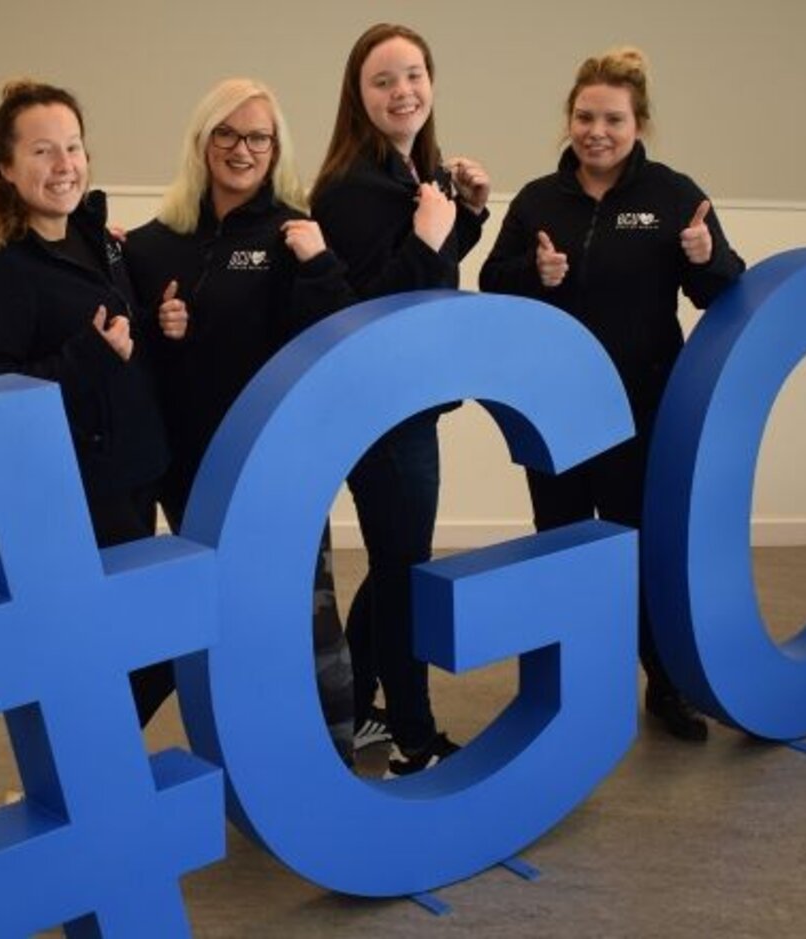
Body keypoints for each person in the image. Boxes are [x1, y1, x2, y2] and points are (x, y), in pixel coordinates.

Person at [478, 45, 745, 742]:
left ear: (639, 125)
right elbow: (491, 283)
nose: (597, 130)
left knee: (641, 547)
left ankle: (666, 685)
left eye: (614, 119)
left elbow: (722, 291)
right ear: (568, 119)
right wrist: (538, 273)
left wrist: (705, 257)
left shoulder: (673, 196)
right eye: (585, 116)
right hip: (554, 413)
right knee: (563, 550)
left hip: (643, 410)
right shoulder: (539, 199)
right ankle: (568, 691)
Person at [123, 78, 360, 761]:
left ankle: (335, 767)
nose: (241, 149)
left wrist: (318, 263)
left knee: (306, 620)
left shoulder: (294, 233)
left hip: (281, 466)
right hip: (190, 468)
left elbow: (336, 334)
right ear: (201, 142)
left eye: (257, 136)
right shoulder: (151, 243)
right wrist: (154, 321)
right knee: (215, 616)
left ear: (276, 146)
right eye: (226, 133)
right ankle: (248, 751)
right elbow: (127, 344)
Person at [0, 79, 174, 725]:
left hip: (134, 472)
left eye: (73, 147)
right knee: (152, 641)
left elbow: (124, 345)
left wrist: (162, 323)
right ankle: (86, 761)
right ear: (6, 167)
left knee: (127, 642)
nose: (63, 166)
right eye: (43, 151)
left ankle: (89, 770)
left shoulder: (99, 241)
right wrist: (89, 355)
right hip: (74, 491)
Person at [309, 23, 490, 777]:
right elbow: (361, 312)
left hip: (412, 403)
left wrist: (465, 216)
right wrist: (429, 231)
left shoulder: (415, 174)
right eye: (383, 80)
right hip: (381, 410)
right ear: (358, 95)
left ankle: (366, 703)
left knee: (395, 565)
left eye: (413, 74)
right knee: (406, 572)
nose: (401, 90)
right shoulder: (351, 185)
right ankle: (415, 741)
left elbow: (430, 277)